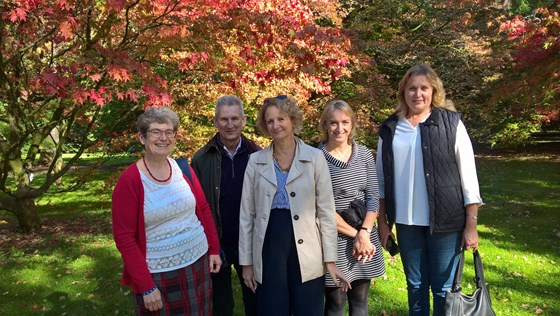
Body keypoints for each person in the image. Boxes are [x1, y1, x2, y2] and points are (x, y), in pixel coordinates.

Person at [376, 64, 483, 316]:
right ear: (403, 92)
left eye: (424, 88)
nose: (417, 94)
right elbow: (380, 180)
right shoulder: (390, 128)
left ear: (434, 90)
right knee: (415, 286)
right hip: (406, 222)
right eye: (411, 88)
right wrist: (382, 223)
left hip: (446, 222)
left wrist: (471, 225)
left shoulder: (451, 123)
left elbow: (469, 178)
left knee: (444, 288)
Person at [239, 95, 351, 316]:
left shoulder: (315, 158)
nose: (276, 125)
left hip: (307, 248)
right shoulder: (256, 161)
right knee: (272, 309)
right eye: (270, 121)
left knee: (308, 308)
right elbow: (247, 215)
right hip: (269, 246)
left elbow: (326, 212)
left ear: (292, 120)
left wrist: (329, 260)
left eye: (281, 118)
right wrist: (247, 264)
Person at [112, 106, 222, 315]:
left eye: (168, 132)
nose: (163, 137)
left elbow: (204, 209)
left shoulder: (183, 169)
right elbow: (124, 238)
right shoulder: (130, 180)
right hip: (159, 275)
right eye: (156, 132)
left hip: (198, 263)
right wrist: (146, 286)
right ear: (142, 138)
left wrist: (214, 249)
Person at [191, 95, 260, 316]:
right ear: (215, 122)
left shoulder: (258, 156)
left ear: (244, 120)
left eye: (234, 119)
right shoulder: (202, 158)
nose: (229, 125)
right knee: (221, 305)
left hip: (249, 241)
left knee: (255, 299)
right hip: (217, 242)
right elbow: (197, 206)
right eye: (223, 119)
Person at [318, 100, 386, 316]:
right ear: (325, 126)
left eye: (345, 122)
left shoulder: (364, 153)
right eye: (333, 123)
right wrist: (356, 235)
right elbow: (320, 207)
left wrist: (364, 233)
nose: (340, 128)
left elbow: (373, 196)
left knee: (360, 302)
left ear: (352, 123)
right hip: (334, 239)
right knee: (335, 304)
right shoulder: (316, 157)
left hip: (365, 238)